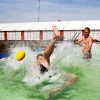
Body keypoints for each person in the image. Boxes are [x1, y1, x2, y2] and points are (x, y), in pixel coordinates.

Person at [36, 25, 77, 96]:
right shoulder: (36, 66)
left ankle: (57, 89)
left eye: (41, 58)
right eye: (40, 59)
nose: (41, 59)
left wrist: (67, 74)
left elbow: (57, 70)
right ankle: (54, 38)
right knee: (46, 57)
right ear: (37, 60)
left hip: (49, 76)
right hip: (43, 75)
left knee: (74, 78)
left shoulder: (45, 66)